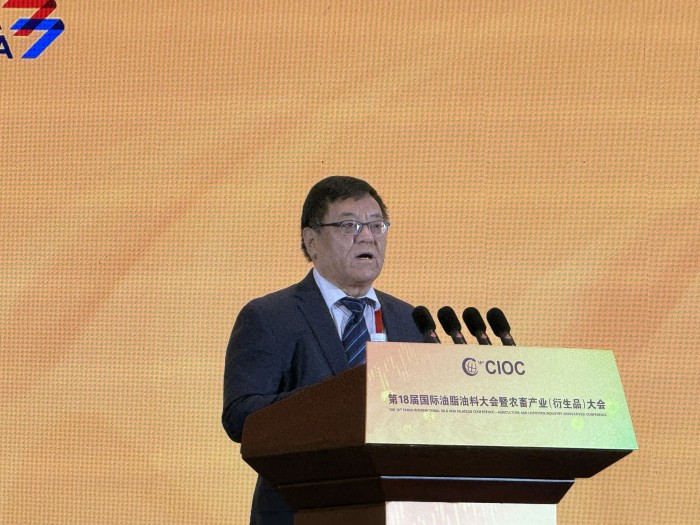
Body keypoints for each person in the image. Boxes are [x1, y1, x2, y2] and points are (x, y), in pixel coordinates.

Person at [222, 176, 424, 525]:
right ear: (311, 241)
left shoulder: (411, 321)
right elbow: (241, 417)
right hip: (300, 509)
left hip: (397, 510)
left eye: (377, 225)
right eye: (349, 226)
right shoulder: (270, 316)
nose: (367, 237)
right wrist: (338, 400)